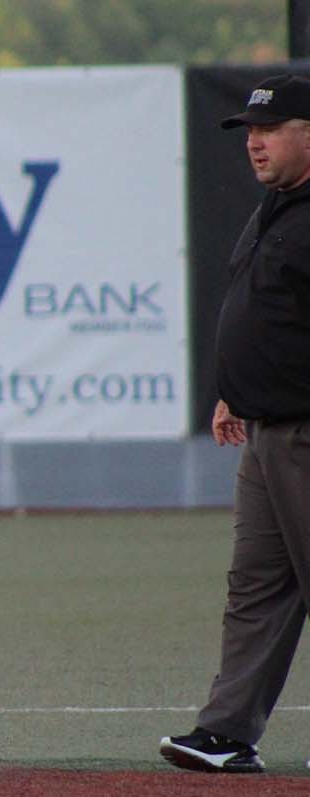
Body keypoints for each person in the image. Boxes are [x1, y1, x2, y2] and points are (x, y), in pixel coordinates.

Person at [160, 73, 310, 775]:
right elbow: (263, 307)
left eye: (271, 128)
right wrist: (233, 389)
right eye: (249, 130)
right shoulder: (278, 206)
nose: (254, 142)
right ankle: (225, 731)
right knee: (256, 587)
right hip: (265, 430)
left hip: (305, 429)